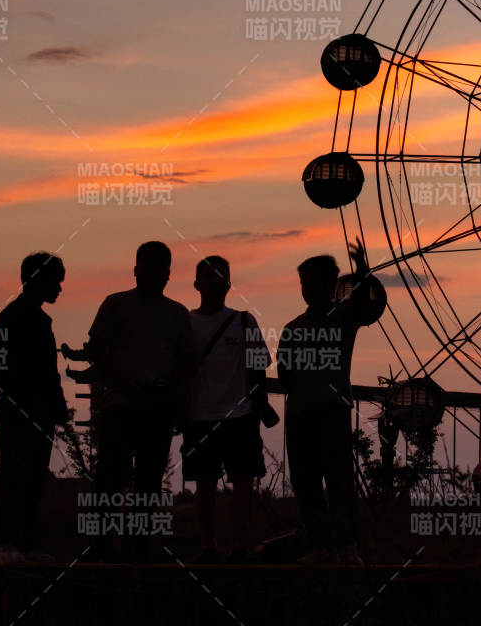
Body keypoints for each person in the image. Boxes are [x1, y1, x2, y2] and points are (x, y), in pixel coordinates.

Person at [84, 241, 194, 559]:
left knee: (147, 485)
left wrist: (172, 391)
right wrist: (125, 379)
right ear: (135, 270)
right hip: (120, 407)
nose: (152, 272)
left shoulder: (177, 314)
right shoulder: (115, 305)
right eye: (147, 265)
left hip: (158, 412)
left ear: (168, 274)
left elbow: (187, 361)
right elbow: (97, 349)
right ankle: (99, 549)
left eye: (159, 267)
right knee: (108, 481)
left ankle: (137, 549)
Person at [180, 256, 272, 563]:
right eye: (211, 276)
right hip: (199, 416)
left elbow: (259, 369)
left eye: (221, 276)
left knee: (241, 482)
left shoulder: (244, 321)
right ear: (197, 284)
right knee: (206, 485)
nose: (216, 281)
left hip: (239, 417)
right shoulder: (186, 325)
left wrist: (256, 407)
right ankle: (210, 546)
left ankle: (238, 546)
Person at [0, 251, 72, 564]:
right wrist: (12, 403)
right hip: (19, 416)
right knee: (14, 478)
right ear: (38, 280)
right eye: (56, 281)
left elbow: (49, 374)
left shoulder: (37, 320)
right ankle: (6, 544)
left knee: (33, 480)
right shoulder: (12, 318)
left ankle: (25, 544)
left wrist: (56, 407)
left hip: (40, 415)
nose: (60, 289)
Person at [278, 254, 361, 565]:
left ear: (329, 286)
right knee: (306, 483)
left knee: (338, 481)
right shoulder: (294, 328)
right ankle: (324, 546)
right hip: (304, 413)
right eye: (303, 284)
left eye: (311, 283)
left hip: (326, 412)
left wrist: (363, 272)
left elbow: (363, 301)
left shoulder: (343, 318)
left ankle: (346, 546)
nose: (306, 289)